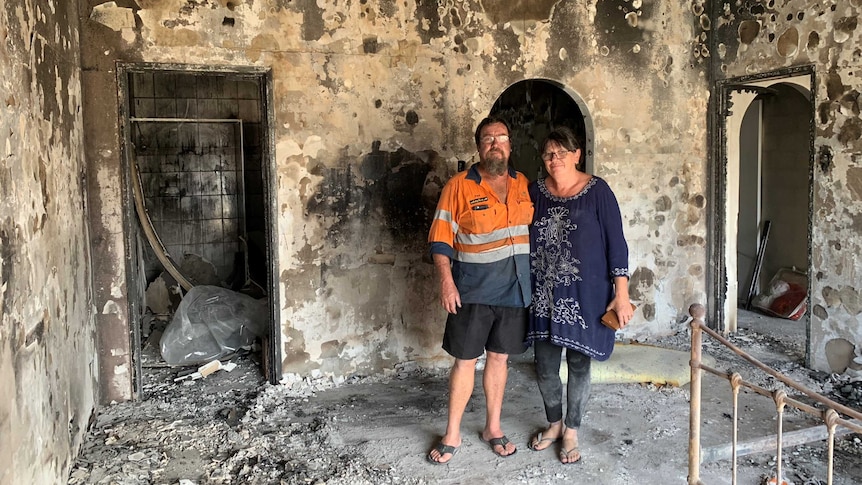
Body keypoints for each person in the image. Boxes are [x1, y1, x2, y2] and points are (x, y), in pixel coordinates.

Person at [425, 116, 534, 464]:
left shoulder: (523, 184)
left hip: (515, 290)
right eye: (488, 139)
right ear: (478, 147)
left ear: (510, 145)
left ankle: (493, 427)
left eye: (501, 138)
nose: (495, 144)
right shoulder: (458, 186)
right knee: (465, 361)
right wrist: (446, 281)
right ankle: (453, 432)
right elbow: (440, 239)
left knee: (500, 359)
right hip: (472, 291)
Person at [526, 127, 632, 464]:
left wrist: (622, 293)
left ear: (577, 155)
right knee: (544, 366)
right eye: (548, 154)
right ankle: (554, 424)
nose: (554, 159)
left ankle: (572, 429)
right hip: (543, 293)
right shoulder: (534, 192)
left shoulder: (598, 191)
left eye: (561, 152)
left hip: (586, 294)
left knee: (578, 364)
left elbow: (617, 244)